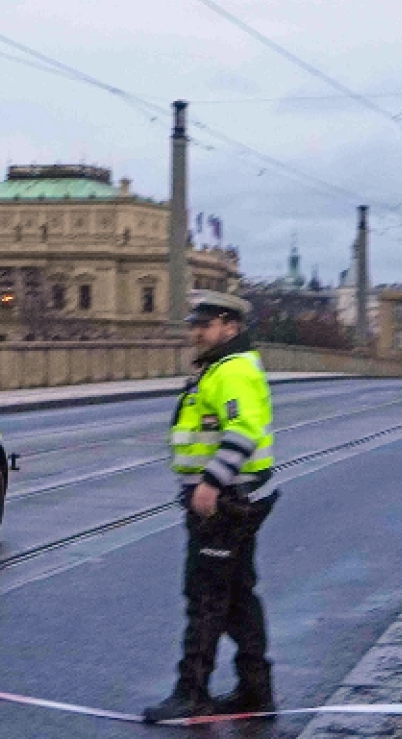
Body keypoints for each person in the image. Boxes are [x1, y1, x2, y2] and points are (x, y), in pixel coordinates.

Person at [145, 290, 279, 724]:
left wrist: (210, 482)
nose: (196, 333)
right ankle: (255, 690)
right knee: (238, 598)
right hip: (233, 499)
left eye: (204, 326)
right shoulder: (220, 369)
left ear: (230, 327)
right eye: (194, 326)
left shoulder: (233, 371)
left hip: (224, 503)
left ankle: (192, 693)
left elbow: (245, 429)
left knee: (204, 599)